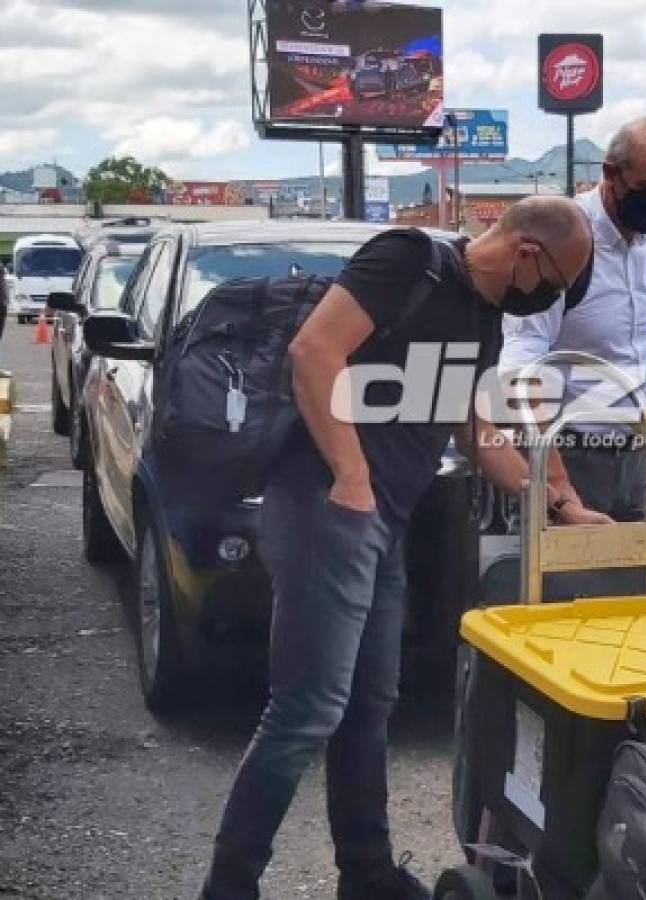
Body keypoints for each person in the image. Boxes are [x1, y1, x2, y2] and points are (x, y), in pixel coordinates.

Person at [199, 197, 608, 900]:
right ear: (527, 255)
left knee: (370, 701)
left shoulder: (480, 318)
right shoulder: (407, 261)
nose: (552, 300)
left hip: (382, 521)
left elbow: (475, 434)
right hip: (325, 506)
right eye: (558, 283)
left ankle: (366, 873)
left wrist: (563, 506)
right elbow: (313, 351)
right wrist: (353, 477)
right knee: (307, 707)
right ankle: (227, 887)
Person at [500, 115, 646, 526]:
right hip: (573, 457)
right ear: (610, 174)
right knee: (571, 588)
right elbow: (520, 364)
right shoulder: (564, 238)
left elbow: (630, 354)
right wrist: (558, 485)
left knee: (639, 584)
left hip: (638, 455)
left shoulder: (642, 242)